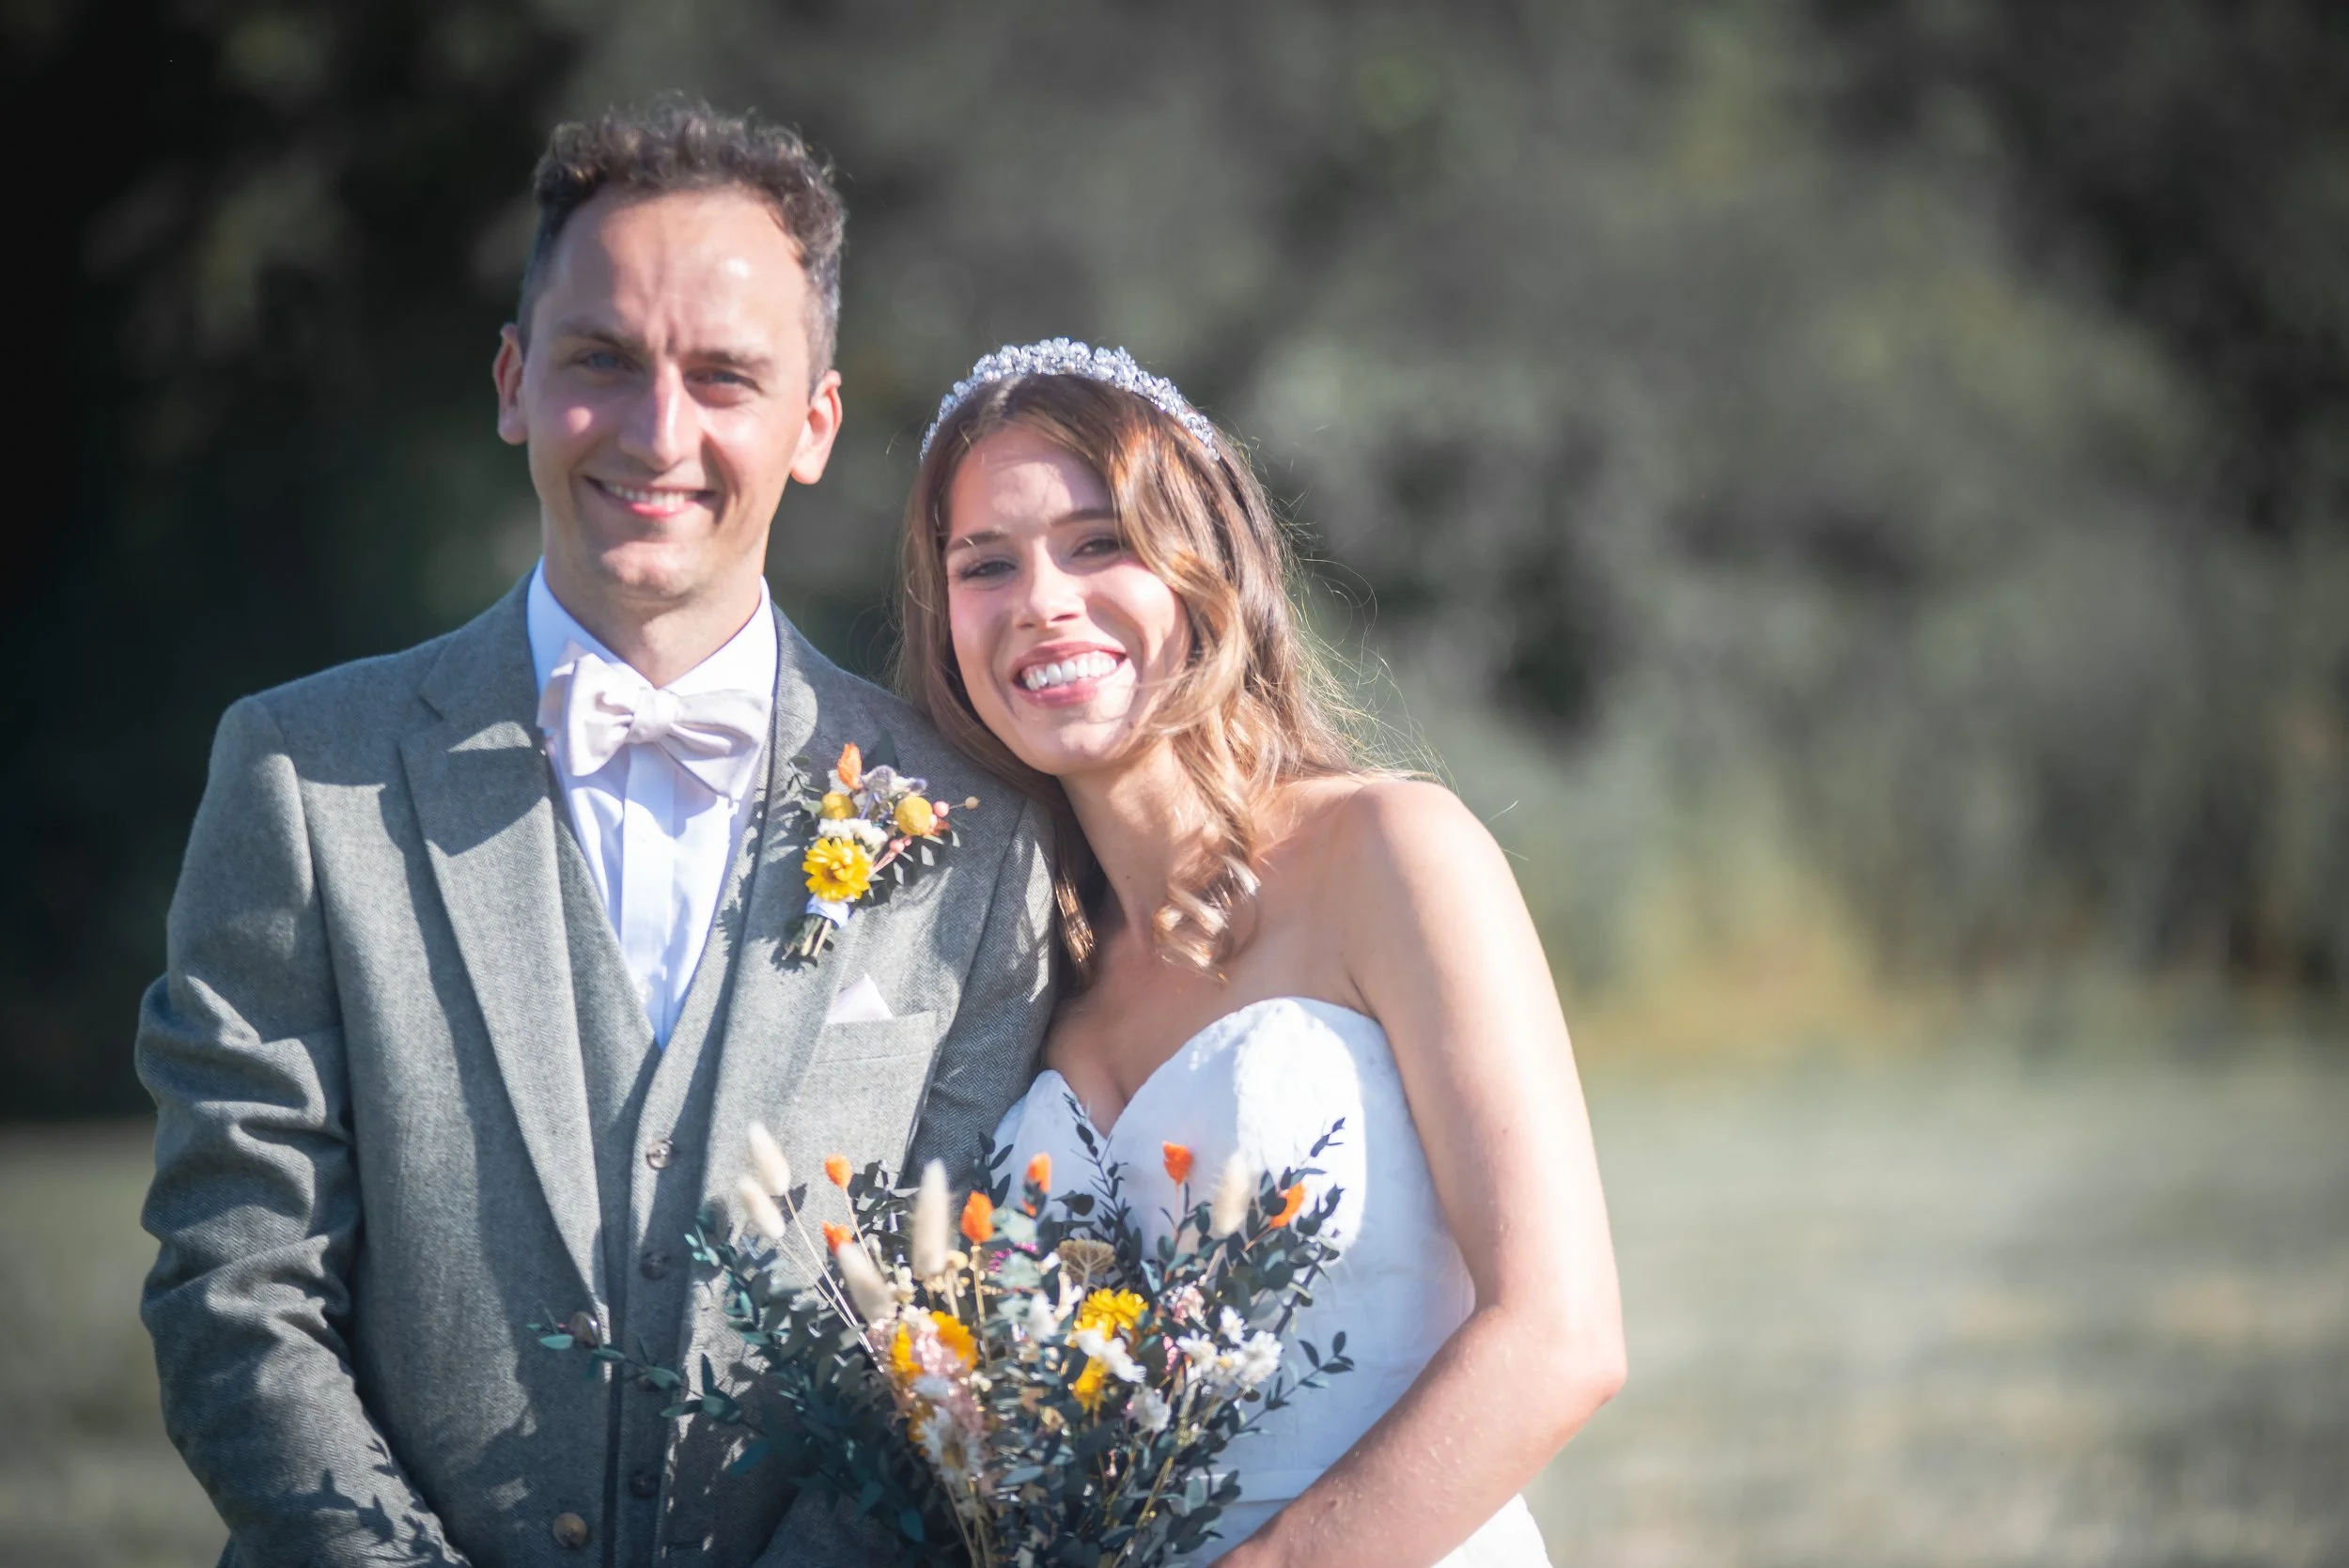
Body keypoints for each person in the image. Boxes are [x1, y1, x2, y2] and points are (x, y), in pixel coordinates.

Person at [136, 99, 1052, 1568]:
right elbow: (238, 1287)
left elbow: (953, 1337)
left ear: (812, 424)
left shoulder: (980, 835)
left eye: (725, 377)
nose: (658, 432)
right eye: (601, 361)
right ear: (512, 381)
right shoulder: (302, 778)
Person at [896, 341, 1626, 1566]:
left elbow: (1562, 1337)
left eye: (1097, 542)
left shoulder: (1392, 854)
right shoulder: (1021, 974)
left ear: (1207, 565)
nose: (1040, 600)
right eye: (987, 565)